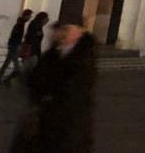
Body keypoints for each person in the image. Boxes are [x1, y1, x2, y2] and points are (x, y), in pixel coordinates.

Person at [11, 21, 95, 153]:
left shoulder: (84, 57)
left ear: (80, 32)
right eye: (61, 30)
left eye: (67, 29)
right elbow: (36, 80)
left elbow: (75, 88)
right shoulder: (53, 53)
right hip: (45, 121)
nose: (62, 34)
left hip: (67, 124)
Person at [0, 9, 32, 85]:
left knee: (6, 63)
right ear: (26, 16)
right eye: (29, 16)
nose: (30, 18)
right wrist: (18, 44)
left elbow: (14, 35)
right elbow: (15, 36)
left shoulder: (20, 23)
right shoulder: (20, 24)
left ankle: (0, 79)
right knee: (17, 68)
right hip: (14, 46)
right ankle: (7, 80)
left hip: (13, 46)